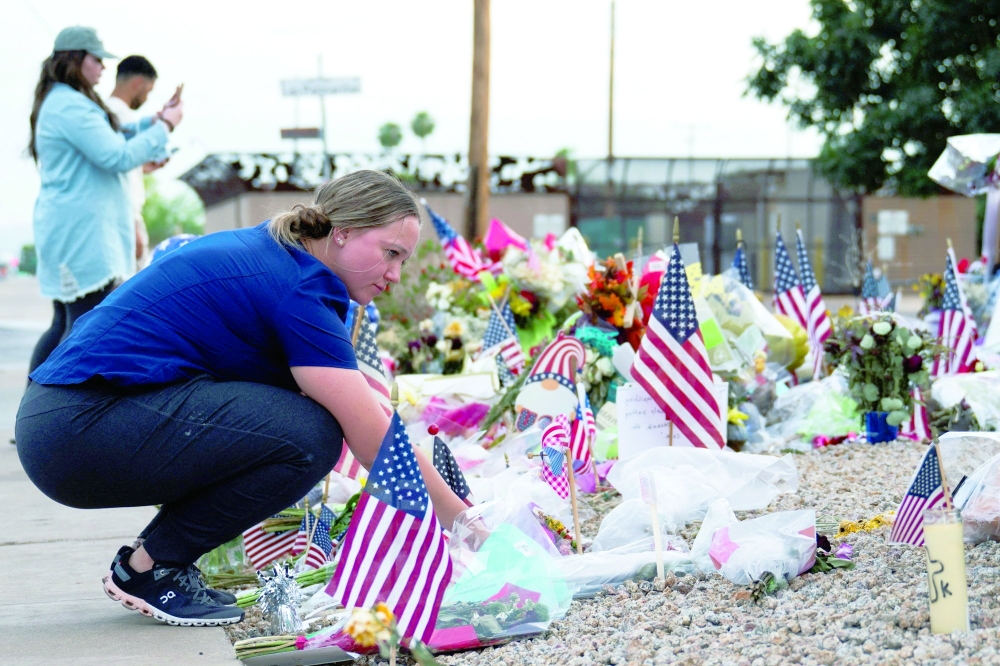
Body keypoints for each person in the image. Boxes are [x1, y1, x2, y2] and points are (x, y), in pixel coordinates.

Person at [15, 169, 470, 628]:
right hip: (77, 429)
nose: (394, 274)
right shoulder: (300, 289)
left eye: (403, 261)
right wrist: (465, 525)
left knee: (291, 422)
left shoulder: (281, 256)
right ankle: (151, 568)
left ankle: (153, 563)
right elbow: (373, 437)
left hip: (65, 420)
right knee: (310, 436)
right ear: (343, 232)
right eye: (389, 253)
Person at [27, 27, 183, 374]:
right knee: (83, 327)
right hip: (81, 233)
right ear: (74, 58)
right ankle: (50, 416)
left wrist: (152, 122)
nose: (102, 68)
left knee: (63, 325)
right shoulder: (69, 103)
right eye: (96, 59)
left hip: (71, 229)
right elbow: (116, 156)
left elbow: (112, 134)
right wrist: (165, 128)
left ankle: (33, 417)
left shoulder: (63, 99)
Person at [105, 55, 163, 267]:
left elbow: (118, 164)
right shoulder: (121, 115)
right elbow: (121, 176)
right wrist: (133, 225)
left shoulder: (101, 112)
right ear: (138, 83)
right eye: (148, 91)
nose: (147, 98)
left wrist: (142, 167)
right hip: (126, 217)